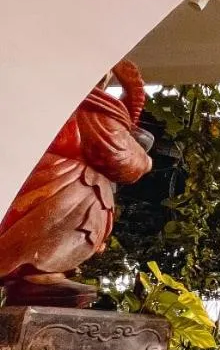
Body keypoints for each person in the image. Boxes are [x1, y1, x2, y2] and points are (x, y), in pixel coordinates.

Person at [0, 61, 152, 306]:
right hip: (56, 191)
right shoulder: (90, 110)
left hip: (37, 187)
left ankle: (36, 276)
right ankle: (38, 275)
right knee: (46, 230)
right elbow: (122, 159)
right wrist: (145, 159)